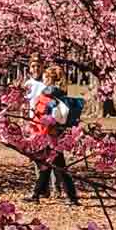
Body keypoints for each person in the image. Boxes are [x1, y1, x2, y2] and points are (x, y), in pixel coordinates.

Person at [29, 65, 79, 205]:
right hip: (54, 133)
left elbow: (47, 112)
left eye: (45, 77)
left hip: (50, 134)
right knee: (52, 165)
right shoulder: (59, 92)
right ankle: (38, 194)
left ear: (50, 79)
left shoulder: (50, 93)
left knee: (55, 166)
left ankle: (69, 196)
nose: (43, 79)